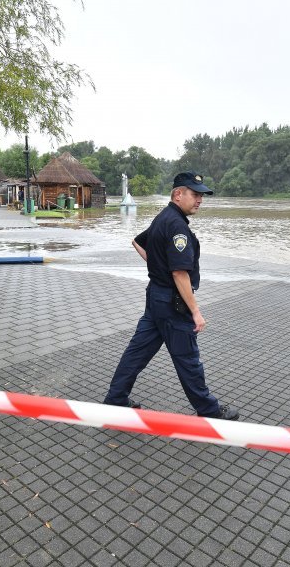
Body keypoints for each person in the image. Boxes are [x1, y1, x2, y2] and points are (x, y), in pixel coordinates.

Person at [103, 172, 239, 420]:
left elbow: (137, 241)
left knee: (137, 352)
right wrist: (196, 312)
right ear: (178, 194)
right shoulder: (176, 226)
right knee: (188, 359)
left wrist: (157, 267)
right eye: (195, 194)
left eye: (201, 196)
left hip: (155, 298)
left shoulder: (163, 218)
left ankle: (116, 399)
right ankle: (209, 410)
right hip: (172, 304)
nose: (200, 200)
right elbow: (179, 273)